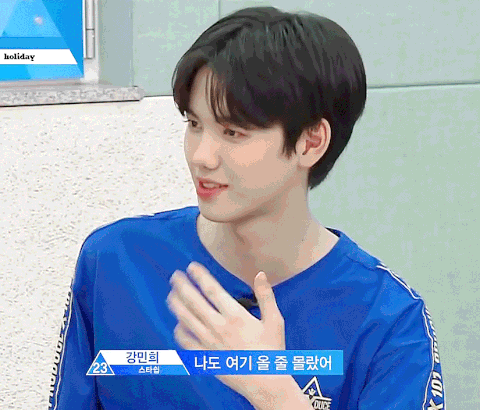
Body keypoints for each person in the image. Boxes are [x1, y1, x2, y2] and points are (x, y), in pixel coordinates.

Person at [49, 6, 445, 410]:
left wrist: (273, 392)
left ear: (310, 142)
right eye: (194, 124)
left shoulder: (389, 322)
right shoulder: (116, 262)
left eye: (232, 132)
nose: (201, 156)